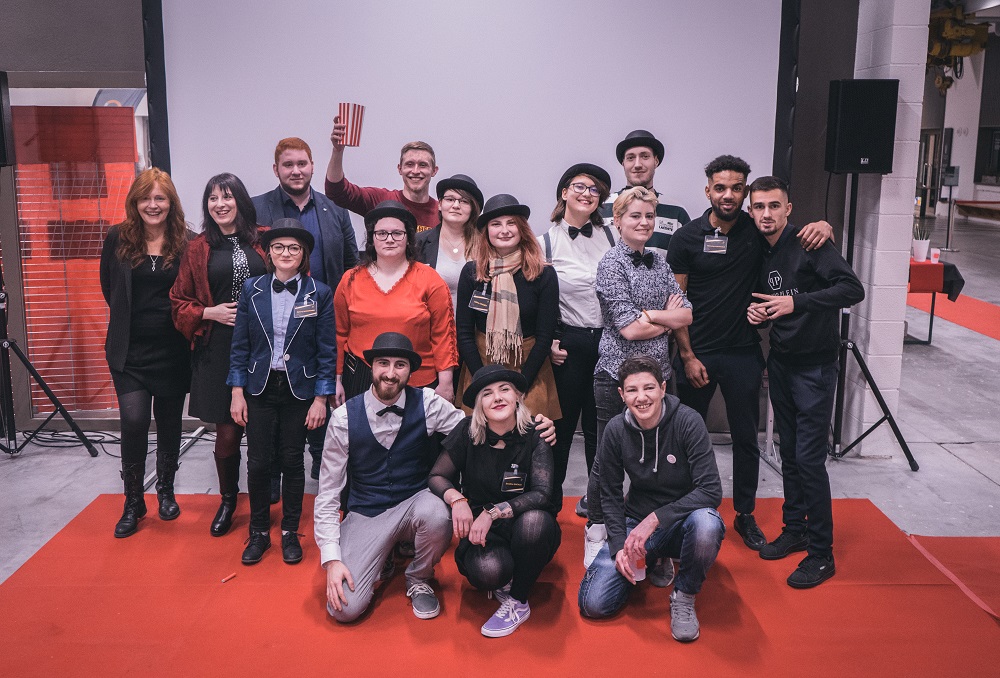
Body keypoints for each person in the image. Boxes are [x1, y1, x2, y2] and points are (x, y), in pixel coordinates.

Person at [315, 333, 556, 623]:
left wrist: (535, 425)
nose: (391, 373)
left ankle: (419, 576)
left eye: (400, 365)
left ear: (410, 371)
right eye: (383, 364)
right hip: (367, 512)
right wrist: (331, 559)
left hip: (417, 505)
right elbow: (328, 492)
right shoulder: (342, 418)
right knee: (344, 609)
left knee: (438, 510)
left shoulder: (428, 403)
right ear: (371, 367)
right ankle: (385, 554)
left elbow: (477, 427)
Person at [666, 155, 834, 551]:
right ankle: (688, 512)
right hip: (699, 353)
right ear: (707, 190)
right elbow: (676, 302)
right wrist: (687, 356)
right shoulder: (686, 238)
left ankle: (744, 513)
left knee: (746, 439)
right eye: (720, 187)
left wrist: (825, 224)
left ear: (745, 191)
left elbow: (792, 233)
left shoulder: (755, 230)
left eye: (737, 187)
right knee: (686, 438)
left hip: (743, 352)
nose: (729, 195)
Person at [746, 176, 864, 588]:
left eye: (773, 206)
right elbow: (765, 299)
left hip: (815, 366)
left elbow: (853, 289)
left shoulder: (812, 242)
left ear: (788, 208)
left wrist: (797, 302)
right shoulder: (759, 247)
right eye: (758, 207)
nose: (766, 214)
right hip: (781, 361)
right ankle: (794, 528)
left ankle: (821, 553)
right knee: (789, 454)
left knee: (810, 461)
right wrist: (757, 313)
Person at [582, 186, 692, 579]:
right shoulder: (611, 263)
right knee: (605, 463)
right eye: (635, 216)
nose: (643, 223)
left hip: (658, 378)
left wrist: (651, 316)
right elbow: (627, 329)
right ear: (618, 221)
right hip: (615, 376)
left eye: (649, 216)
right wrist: (664, 315)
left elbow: (687, 316)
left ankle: (658, 544)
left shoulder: (661, 265)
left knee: (659, 463)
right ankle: (596, 528)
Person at [578, 356, 724, 643]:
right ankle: (652, 557)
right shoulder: (616, 430)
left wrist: (656, 519)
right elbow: (609, 493)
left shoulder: (688, 421)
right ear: (621, 394)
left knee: (708, 524)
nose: (641, 397)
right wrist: (619, 545)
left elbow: (711, 490)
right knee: (593, 604)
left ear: (663, 388)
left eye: (649, 388)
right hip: (636, 521)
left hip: (683, 523)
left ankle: (684, 594)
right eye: (632, 390)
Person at [227, 222, 336, 565]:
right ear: (268, 253)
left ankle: (290, 530)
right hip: (259, 386)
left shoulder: (319, 293)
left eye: (294, 248)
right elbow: (240, 345)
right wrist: (236, 391)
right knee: (258, 460)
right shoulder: (252, 289)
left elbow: (326, 351)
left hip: (299, 389)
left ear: (303, 255)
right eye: (279, 248)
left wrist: (321, 398)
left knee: (292, 459)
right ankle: (258, 531)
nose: (285, 254)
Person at [252, 137, 358, 486]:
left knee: (319, 396)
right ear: (276, 169)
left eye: (302, 164)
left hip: (322, 320)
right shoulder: (256, 210)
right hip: (274, 324)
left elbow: (350, 265)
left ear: (312, 166)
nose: (296, 171)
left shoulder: (335, 210)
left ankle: (318, 462)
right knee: (276, 400)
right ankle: (272, 473)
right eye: (288, 165)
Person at [429, 365, 560, 637]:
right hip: (483, 531)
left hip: (525, 522)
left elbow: (542, 494)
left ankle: (519, 600)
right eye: (487, 394)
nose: (497, 398)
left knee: (534, 523)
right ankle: (514, 572)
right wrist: (457, 500)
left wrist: (494, 512)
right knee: (488, 573)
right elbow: (437, 476)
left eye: (504, 390)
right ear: (479, 405)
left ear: (517, 398)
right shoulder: (467, 431)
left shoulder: (537, 432)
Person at [171, 173, 268, 537]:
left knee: (263, 429)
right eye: (213, 198)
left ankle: (264, 496)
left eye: (227, 197)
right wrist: (207, 313)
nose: (220, 204)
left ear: (241, 201)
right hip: (218, 348)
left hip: (265, 347)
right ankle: (229, 499)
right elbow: (178, 301)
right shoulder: (197, 247)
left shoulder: (264, 238)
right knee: (227, 433)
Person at [100, 168, 191, 538]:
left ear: (171, 203)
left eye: (160, 198)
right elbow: (110, 288)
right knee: (135, 421)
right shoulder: (117, 238)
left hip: (173, 350)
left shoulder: (188, 242)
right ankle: (133, 500)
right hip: (130, 352)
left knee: (170, 423)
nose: (152, 205)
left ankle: (165, 491)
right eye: (145, 198)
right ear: (134, 203)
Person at [539, 163, 615, 516]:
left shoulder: (613, 236)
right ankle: (548, 507)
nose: (587, 194)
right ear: (564, 192)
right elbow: (538, 299)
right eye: (580, 187)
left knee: (602, 432)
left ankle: (598, 510)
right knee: (560, 430)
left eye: (595, 190)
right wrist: (550, 341)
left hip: (608, 342)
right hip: (566, 344)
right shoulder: (544, 242)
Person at [333, 200, 458, 406]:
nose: (389, 239)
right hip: (361, 378)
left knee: (416, 439)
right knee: (363, 438)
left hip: (418, 380)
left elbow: (443, 335)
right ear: (372, 239)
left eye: (397, 233)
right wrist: (336, 380)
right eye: (381, 233)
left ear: (408, 237)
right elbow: (338, 334)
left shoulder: (430, 279)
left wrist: (446, 383)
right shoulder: (351, 279)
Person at [456, 194, 560, 423]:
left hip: (529, 370)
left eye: (511, 223)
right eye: (496, 224)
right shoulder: (472, 273)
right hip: (480, 365)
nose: (504, 230)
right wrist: (483, 381)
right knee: (480, 444)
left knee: (529, 442)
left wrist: (520, 386)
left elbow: (544, 337)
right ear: (486, 232)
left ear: (522, 228)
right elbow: (463, 334)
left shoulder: (543, 274)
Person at [325, 115, 439, 231]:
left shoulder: (443, 212)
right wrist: (337, 151)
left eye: (423, 165)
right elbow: (336, 191)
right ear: (399, 169)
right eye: (409, 164)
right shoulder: (381, 201)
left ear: (434, 171)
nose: (415, 171)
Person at [599, 129, 690, 258]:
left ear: (656, 161)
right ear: (623, 163)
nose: (637, 164)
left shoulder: (676, 212)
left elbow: (685, 261)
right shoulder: (603, 207)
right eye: (630, 158)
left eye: (645, 156)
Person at [415, 173, 483, 309]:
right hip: (432, 326)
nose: (456, 205)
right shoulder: (418, 242)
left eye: (464, 201)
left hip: (475, 328)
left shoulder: (485, 244)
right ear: (440, 204)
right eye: (450, 199)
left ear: (473, 209)